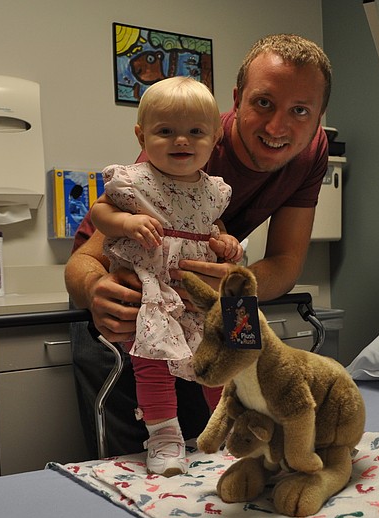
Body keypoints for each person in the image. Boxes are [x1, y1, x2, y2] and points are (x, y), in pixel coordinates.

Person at [66, 33, 331, 459]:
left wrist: (234, 293)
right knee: (140, 463)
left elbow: (285, 262)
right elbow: (83, 260)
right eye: (263, 103)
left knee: (235, 427)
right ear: (238, 99)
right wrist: (96, 292)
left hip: (206, 289)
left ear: (319, 117)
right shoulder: (184, 148)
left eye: (300, 111)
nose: (279, 127)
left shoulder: (311, 150)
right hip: (133, 297)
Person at [90, 76, 243, 475]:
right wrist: (126, 222)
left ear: (214, 138)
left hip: (197, 296)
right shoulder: (135, 181)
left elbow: (214, 228)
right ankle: (164, 436)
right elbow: (98, 213)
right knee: (153, 365)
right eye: (165, 132)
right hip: (154, 291)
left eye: (195, 132)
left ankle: (224, 430)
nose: (181, 141)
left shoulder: (213, 190)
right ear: (142, 136)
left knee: (216, 363)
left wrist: (226, 244)